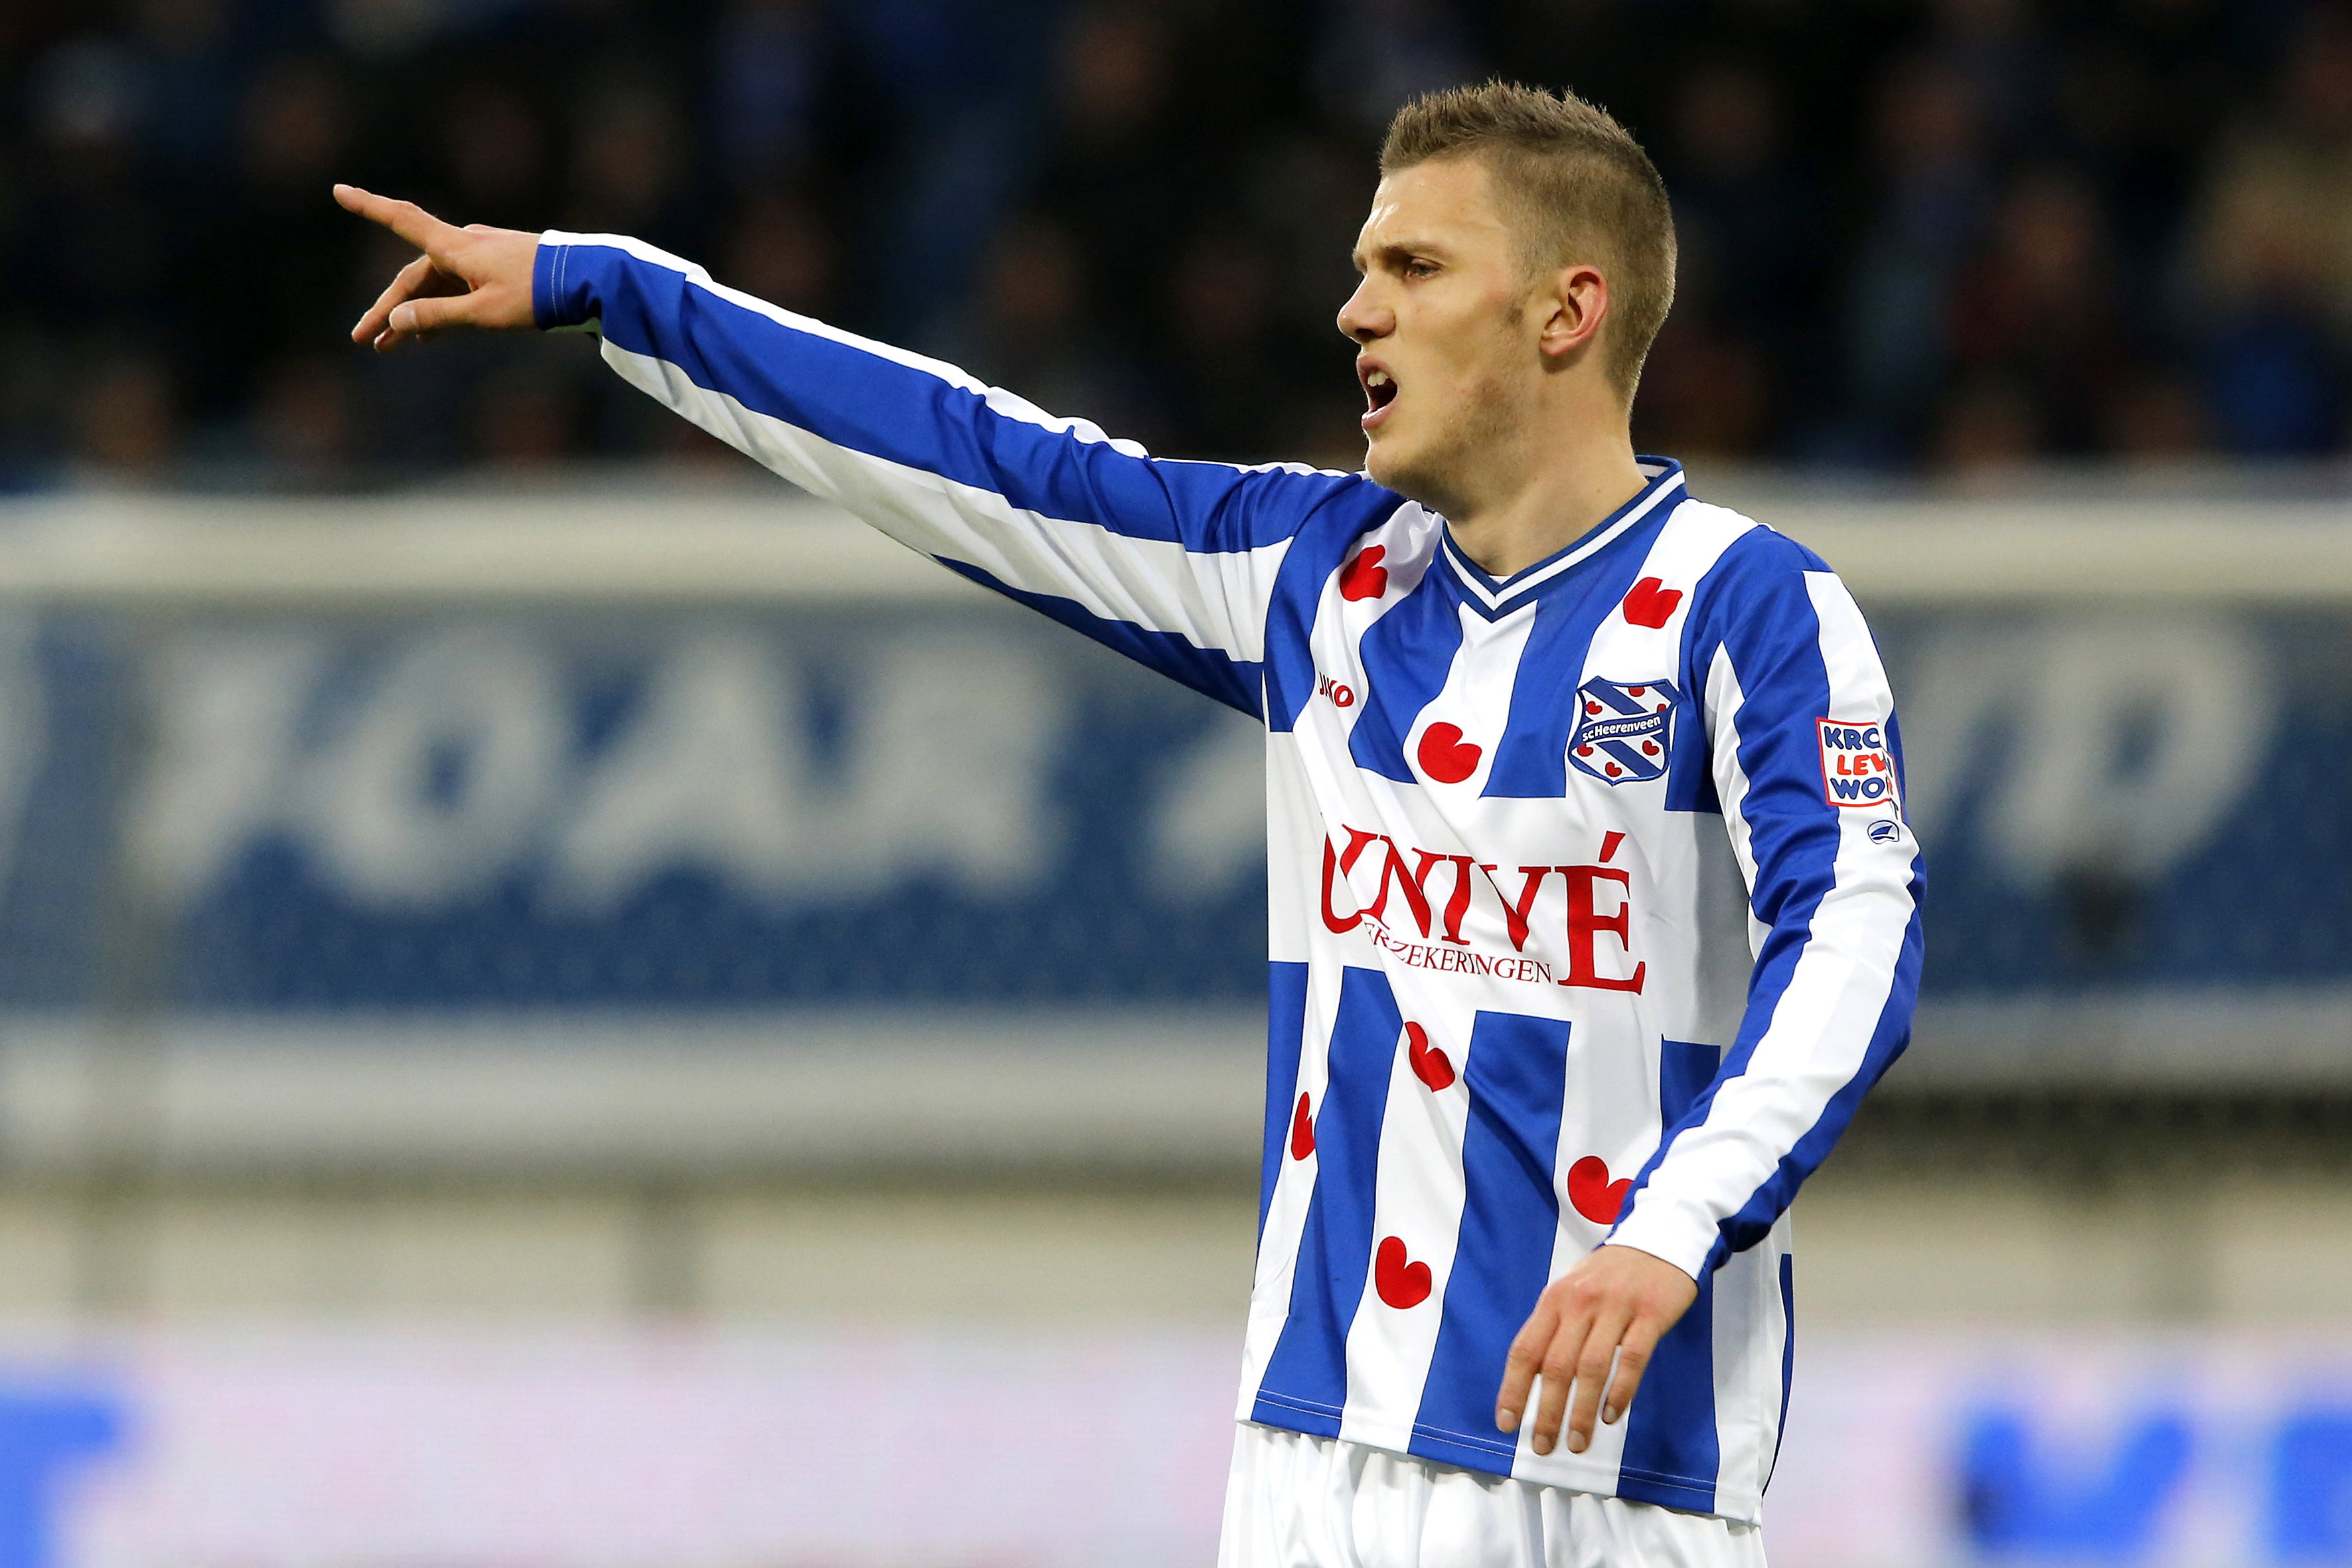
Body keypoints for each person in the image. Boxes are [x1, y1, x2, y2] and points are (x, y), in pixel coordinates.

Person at [337, 79, 1922, 1568]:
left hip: (1606, 1475)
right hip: (1308, 1462)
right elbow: (978, 456)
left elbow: (1853, 932)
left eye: (1414, 265)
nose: (1353, 309)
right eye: (1359, 265)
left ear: (1567, 311)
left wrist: (1670, 1227)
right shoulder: (1313, 573)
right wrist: (618, 286)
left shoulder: (1746, 606)